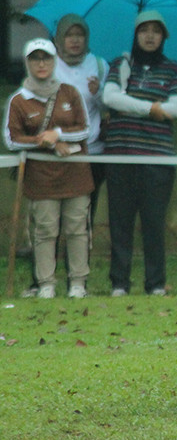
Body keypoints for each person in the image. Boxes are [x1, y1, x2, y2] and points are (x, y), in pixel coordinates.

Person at [102, 10, 177, 296]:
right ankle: (120, 283)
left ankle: (155, 284)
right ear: (135, 34)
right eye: (144, 30)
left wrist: (131, 103)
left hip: (157, 159)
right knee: (120, 223)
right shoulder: (120, 64)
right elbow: (110, 97)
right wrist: (151, 108)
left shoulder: (172, 69)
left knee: (153, 224)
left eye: (156, 31)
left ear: (163, 36)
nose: (149, 36)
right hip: (120, 156)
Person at [4, 39, 94, 298]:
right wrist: (46, 142)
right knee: (44, 231)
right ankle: (46, 284)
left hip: (75, 174)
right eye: (35, 59)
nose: (41, 64)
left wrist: (58, 134)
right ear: (27, 63)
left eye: (46, 58)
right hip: (40, 178)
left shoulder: (70, 92)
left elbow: (85, 129)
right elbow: (12, 139)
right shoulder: (18, 100)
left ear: (54, 62)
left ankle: (78, 282)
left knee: (77, 228)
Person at [53, 14, 109, 214]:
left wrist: (98, 93)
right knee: (55, 213)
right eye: (69, 35)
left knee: (85, 212)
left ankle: (82, 247)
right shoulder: (48, 65)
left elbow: (109, 108)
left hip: (91, 151)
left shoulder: (99, 65)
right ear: (59, 38)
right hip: (57, 151)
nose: (75, 40)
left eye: (80, 35)